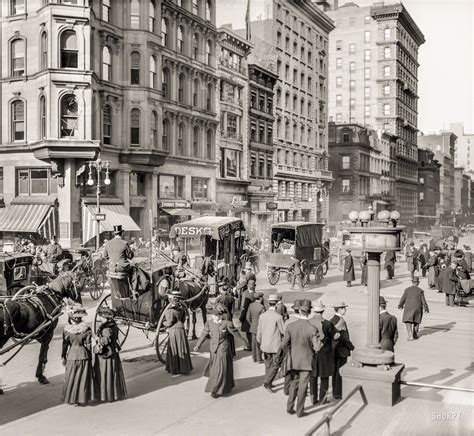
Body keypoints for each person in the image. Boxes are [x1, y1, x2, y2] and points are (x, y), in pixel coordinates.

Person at [194, 305, 248, 398]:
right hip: (213, 350)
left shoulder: (227, 323)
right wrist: (198, 345)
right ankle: (225, 386)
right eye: (213, 315)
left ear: (221, 315)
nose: (214, 316)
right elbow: (203, 334)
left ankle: (215, 390)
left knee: (219, 370)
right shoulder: (209, 323)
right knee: (217, 370)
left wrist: (246, 343)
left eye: (217, 315)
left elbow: (236, 334)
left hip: (223, 349)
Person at [280, 300, 322, 417]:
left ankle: (289, 407)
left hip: (293, 360)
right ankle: (300, 411)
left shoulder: (290, 326)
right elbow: (317, 347)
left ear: (299, 310)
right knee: (303, 386)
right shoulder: (312, 328)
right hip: (306, 362)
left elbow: (284, 345)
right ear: (309, 312)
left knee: (294, 384)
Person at [61, 304, 96, 405]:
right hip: (83, 354)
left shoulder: (66, 330)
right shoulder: (86, 329)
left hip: (71, 355)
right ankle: (82, 398)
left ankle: (72, 398)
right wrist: (90, 357)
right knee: (82, 378)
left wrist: (63, 356)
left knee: (71, 377)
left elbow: (64, 345)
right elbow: (89, 345)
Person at [93, 308, 128, 402]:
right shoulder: (113, 325)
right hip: (112, 351)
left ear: (105, 318)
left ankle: (106, 395)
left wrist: (97, 339)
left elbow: (106, 340)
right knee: (112, 374)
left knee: (105, 373)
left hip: (106, 353)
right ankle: (114, 393)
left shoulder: (107, 328)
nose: (100, 318)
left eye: (101, 317)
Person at [309, 300, 339, 405]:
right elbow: (335, 336)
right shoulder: (327, 324)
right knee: (324, 377)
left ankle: (313, 399)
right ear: (322, 311)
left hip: (311, 354)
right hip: (325, 354)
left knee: (312, 377)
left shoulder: (308, 322)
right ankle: (322, 399)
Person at [257, 294, 285, 393]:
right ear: (277, 304)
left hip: (265, 344)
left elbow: (259, 330)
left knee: (267, 364)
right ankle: (267, 382)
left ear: (269, 303)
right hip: (275, 345)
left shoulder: (262, 316)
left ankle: (268, 380)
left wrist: (260, 341)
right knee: (276, 364)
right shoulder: (278, 317)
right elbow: (283, 331)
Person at [163, 290, 193, 375]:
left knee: (174, 349)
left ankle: (175, 369)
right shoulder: (182, 308)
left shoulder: (169, 310)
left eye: (169, 297)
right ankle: (184, 368)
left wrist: (163, 323)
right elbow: (183, 320)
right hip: (181, 330)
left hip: (174, 331)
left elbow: (169, 322)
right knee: (182, 348)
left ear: (172, 299)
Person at [330, 302, 354, 400]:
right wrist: (351, 347)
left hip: (333, 350)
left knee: (334, 371)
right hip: (342, 350)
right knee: (340, 372)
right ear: (339, 309)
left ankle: (334, 391)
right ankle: (339, 393)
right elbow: (345, 337)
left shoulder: (331, 320)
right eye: (344, 308)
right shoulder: (341, 321)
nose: (345, 310)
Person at [103, 225, 134, 299]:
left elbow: (105, 256)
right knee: (134, 271)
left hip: (112, 269)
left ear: (114, 234)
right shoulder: (124, 243)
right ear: (122, 233)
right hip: (122, 269)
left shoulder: (108, 243)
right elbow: (130, 256)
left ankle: (116, 294)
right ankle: (132, 291)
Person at [247, 292, 265, 363]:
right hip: (260, 328)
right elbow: (263, 318)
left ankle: (254, 358)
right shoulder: (262, 307)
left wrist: (252, 324)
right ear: (260, 298)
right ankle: (259, 358)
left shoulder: (251, 305)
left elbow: (248, 317)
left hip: (253, 327)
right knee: (259, 343)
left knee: (253, 343)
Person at [239, 280, 256, 351]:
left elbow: (243, 306)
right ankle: (253, 345)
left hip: (246, 315)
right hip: (254, 315)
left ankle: (250, 346)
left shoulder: (245, 293)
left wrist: (241, 317)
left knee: (248, 332)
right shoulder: (255, 294)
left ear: (248, 286)